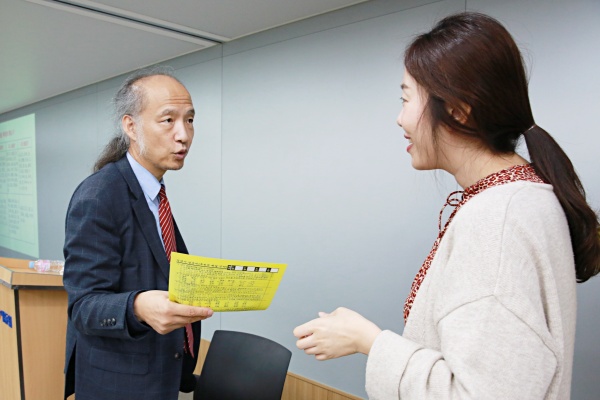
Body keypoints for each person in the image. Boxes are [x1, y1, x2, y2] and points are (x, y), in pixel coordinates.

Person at [293, 12, 600, 399]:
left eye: (406, 99)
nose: (400, 119)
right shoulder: (518, 198)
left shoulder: (498, 218)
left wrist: (368, 340)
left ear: (457, 109)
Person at [63, 68, 213, 400]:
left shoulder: (154, 193)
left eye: (189, 120)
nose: (183, 135)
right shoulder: (99, 196)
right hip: (119, 384)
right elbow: (84, 307)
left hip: (161, 373)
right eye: (168, 120)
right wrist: (138, 307)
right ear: (131, 126)